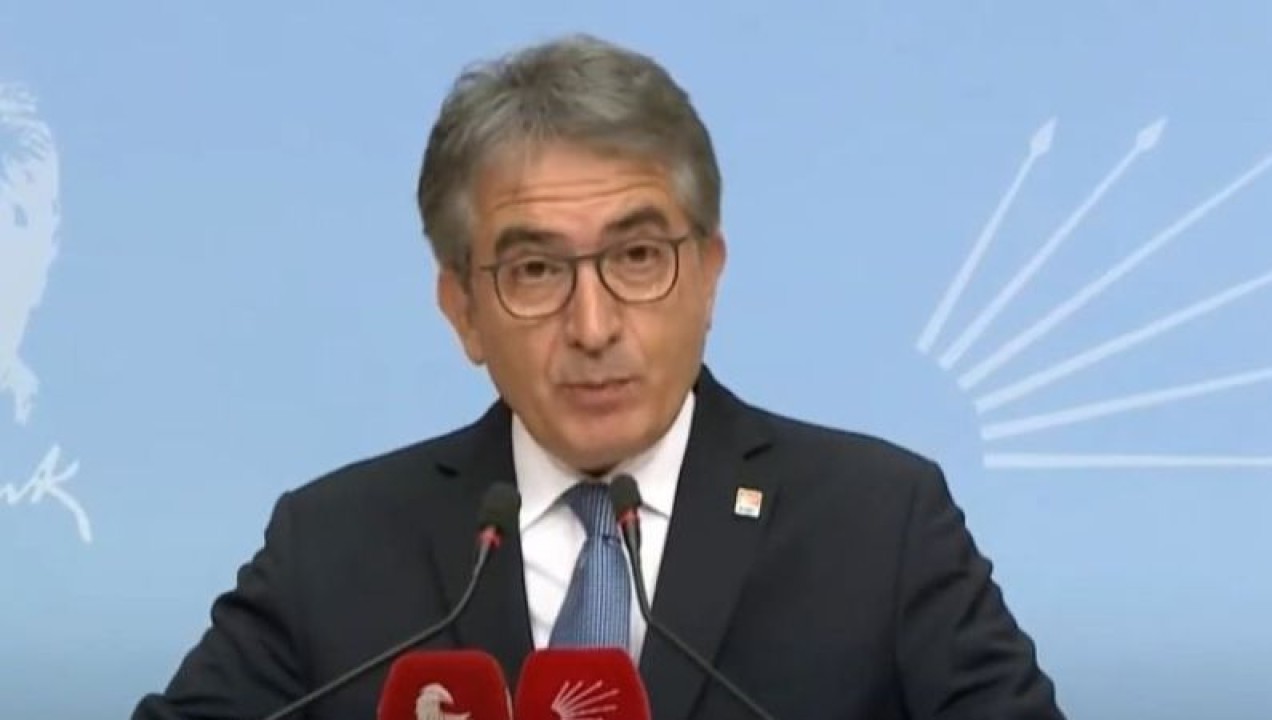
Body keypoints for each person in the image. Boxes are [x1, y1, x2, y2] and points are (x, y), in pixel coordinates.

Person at [131, 33, 1066, 720]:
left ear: (708, 275)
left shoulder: (880, 525)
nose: (593, 326)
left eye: (638, 257)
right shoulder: (334, 547)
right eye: (536, 270)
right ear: (463, 309)